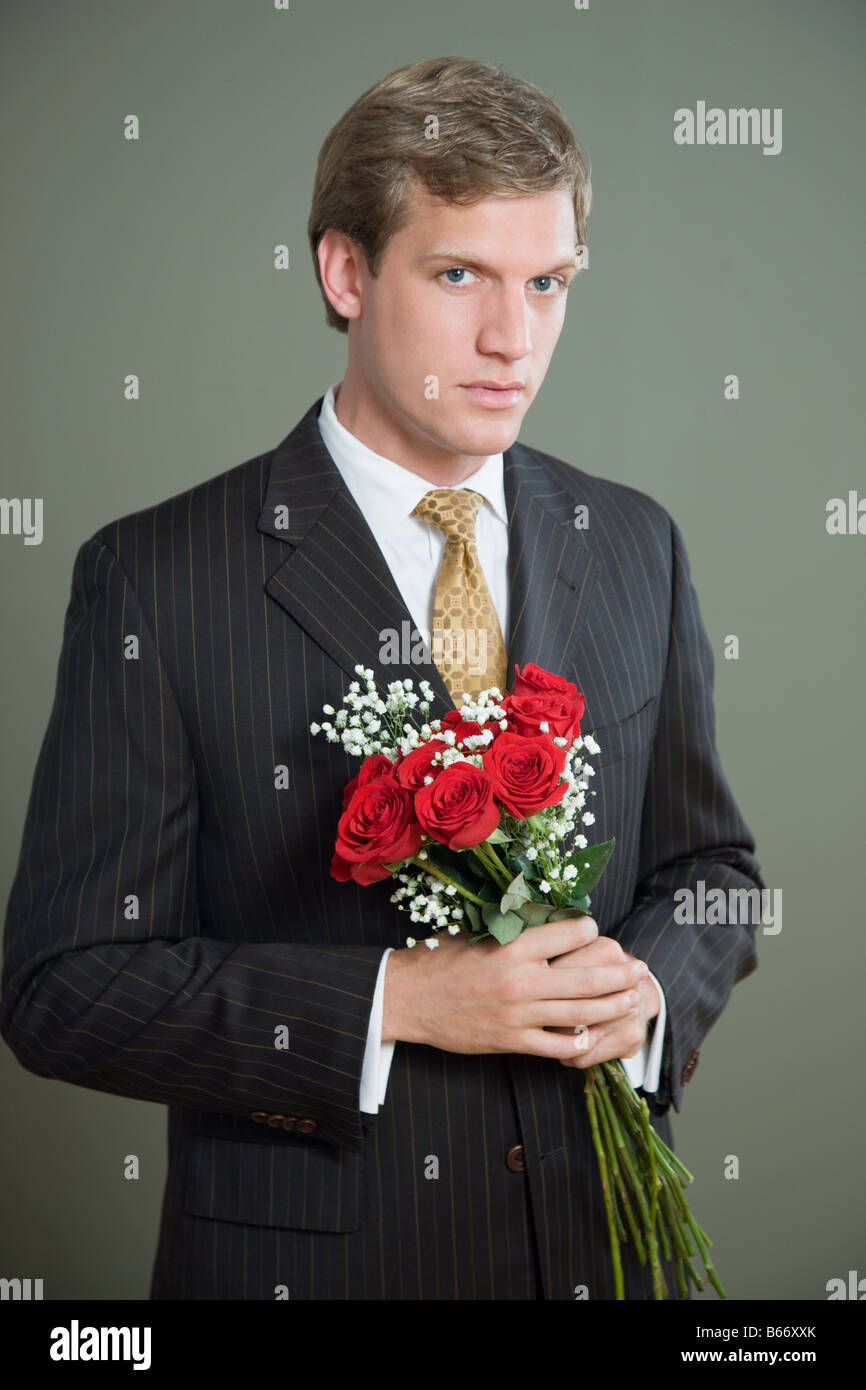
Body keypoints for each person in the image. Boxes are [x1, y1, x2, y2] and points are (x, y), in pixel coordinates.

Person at [0, 55, 763, 1300]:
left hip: (610, 1260)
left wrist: (645, 1000)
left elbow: (712, 874)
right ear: (345, 272)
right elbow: (62, 988)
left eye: (546, 283)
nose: (513, 337)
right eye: (458, 273)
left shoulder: (634, 543)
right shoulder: (154, 579)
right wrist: (393, 998)